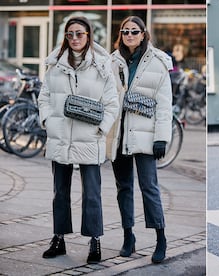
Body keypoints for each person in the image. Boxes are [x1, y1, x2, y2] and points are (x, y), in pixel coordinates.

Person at [38, 16, 119, 264]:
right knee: (59, 192)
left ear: (88, 35)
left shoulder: (102, 66)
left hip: (89, 138)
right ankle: (59, 238)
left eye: (79, 34)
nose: (74, 38)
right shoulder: (55, 65)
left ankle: (94, 241)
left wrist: (101, 130)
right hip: (60, 137)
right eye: (70, 34)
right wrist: (47, 123)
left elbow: (112, 104)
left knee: (92, 193)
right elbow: (44, 98)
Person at [107, 16, 173, 264]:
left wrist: (161, 139)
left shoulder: (158, 62)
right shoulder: (112, 61)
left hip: (146, 135)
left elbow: (165, 105)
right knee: (123, 187)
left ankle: (161, 238)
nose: (130, 35)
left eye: (135, 31)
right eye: (125, 31)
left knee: (149, 187)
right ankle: (128, 236)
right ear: (121, 34)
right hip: (119, 134)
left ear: (144, 34)